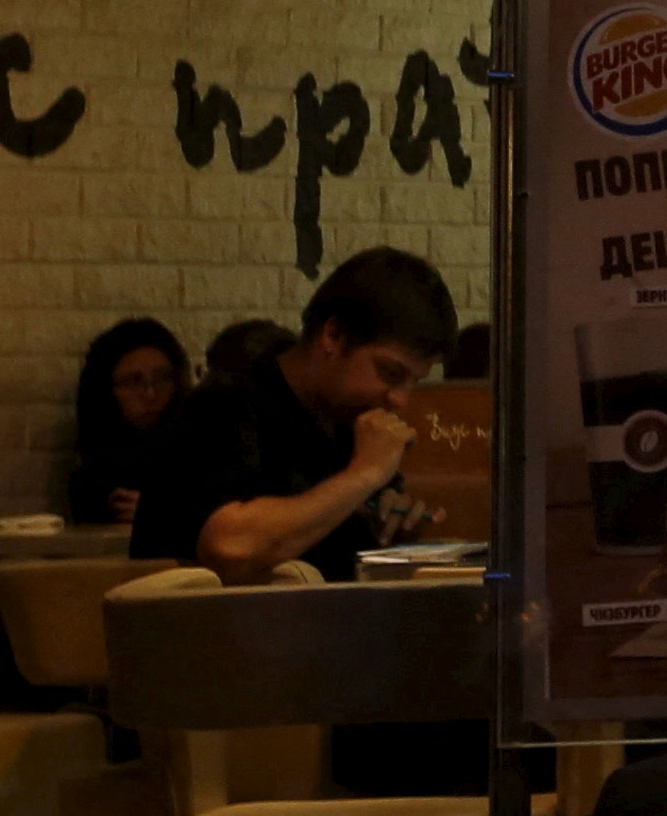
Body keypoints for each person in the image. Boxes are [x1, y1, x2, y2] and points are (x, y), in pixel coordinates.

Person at [132, 250, 457, 585]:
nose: (400, 399)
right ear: (333, 336)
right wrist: (364, 475)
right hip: (202, 631)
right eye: (389, 372)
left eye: (414, 381)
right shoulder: (225, 404)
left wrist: (392, 527)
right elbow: (229, 547)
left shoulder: (351, 424)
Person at [65, 317, 188, 525]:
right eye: (133, 381)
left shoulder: (201, 448)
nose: (150, 394)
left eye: (162, 378)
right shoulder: (95, 472)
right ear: (107, 391)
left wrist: (162, 513)